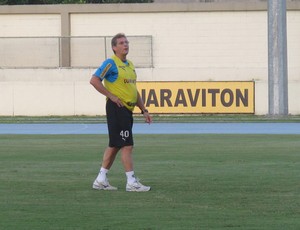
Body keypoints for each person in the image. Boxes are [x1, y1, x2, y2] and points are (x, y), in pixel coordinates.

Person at [90, 33, 152, 192]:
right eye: (122, 43)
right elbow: (94, 80)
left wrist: (143, 109)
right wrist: (111, 95)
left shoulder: (130, 65)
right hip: (117, 108)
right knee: (127, 145)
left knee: (115, 144)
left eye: (127, 42)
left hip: (127, 109)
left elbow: (133, 90)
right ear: (114, 47)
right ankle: (131, 182)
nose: (126, 45)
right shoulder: (111, 63)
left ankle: (101, 179)